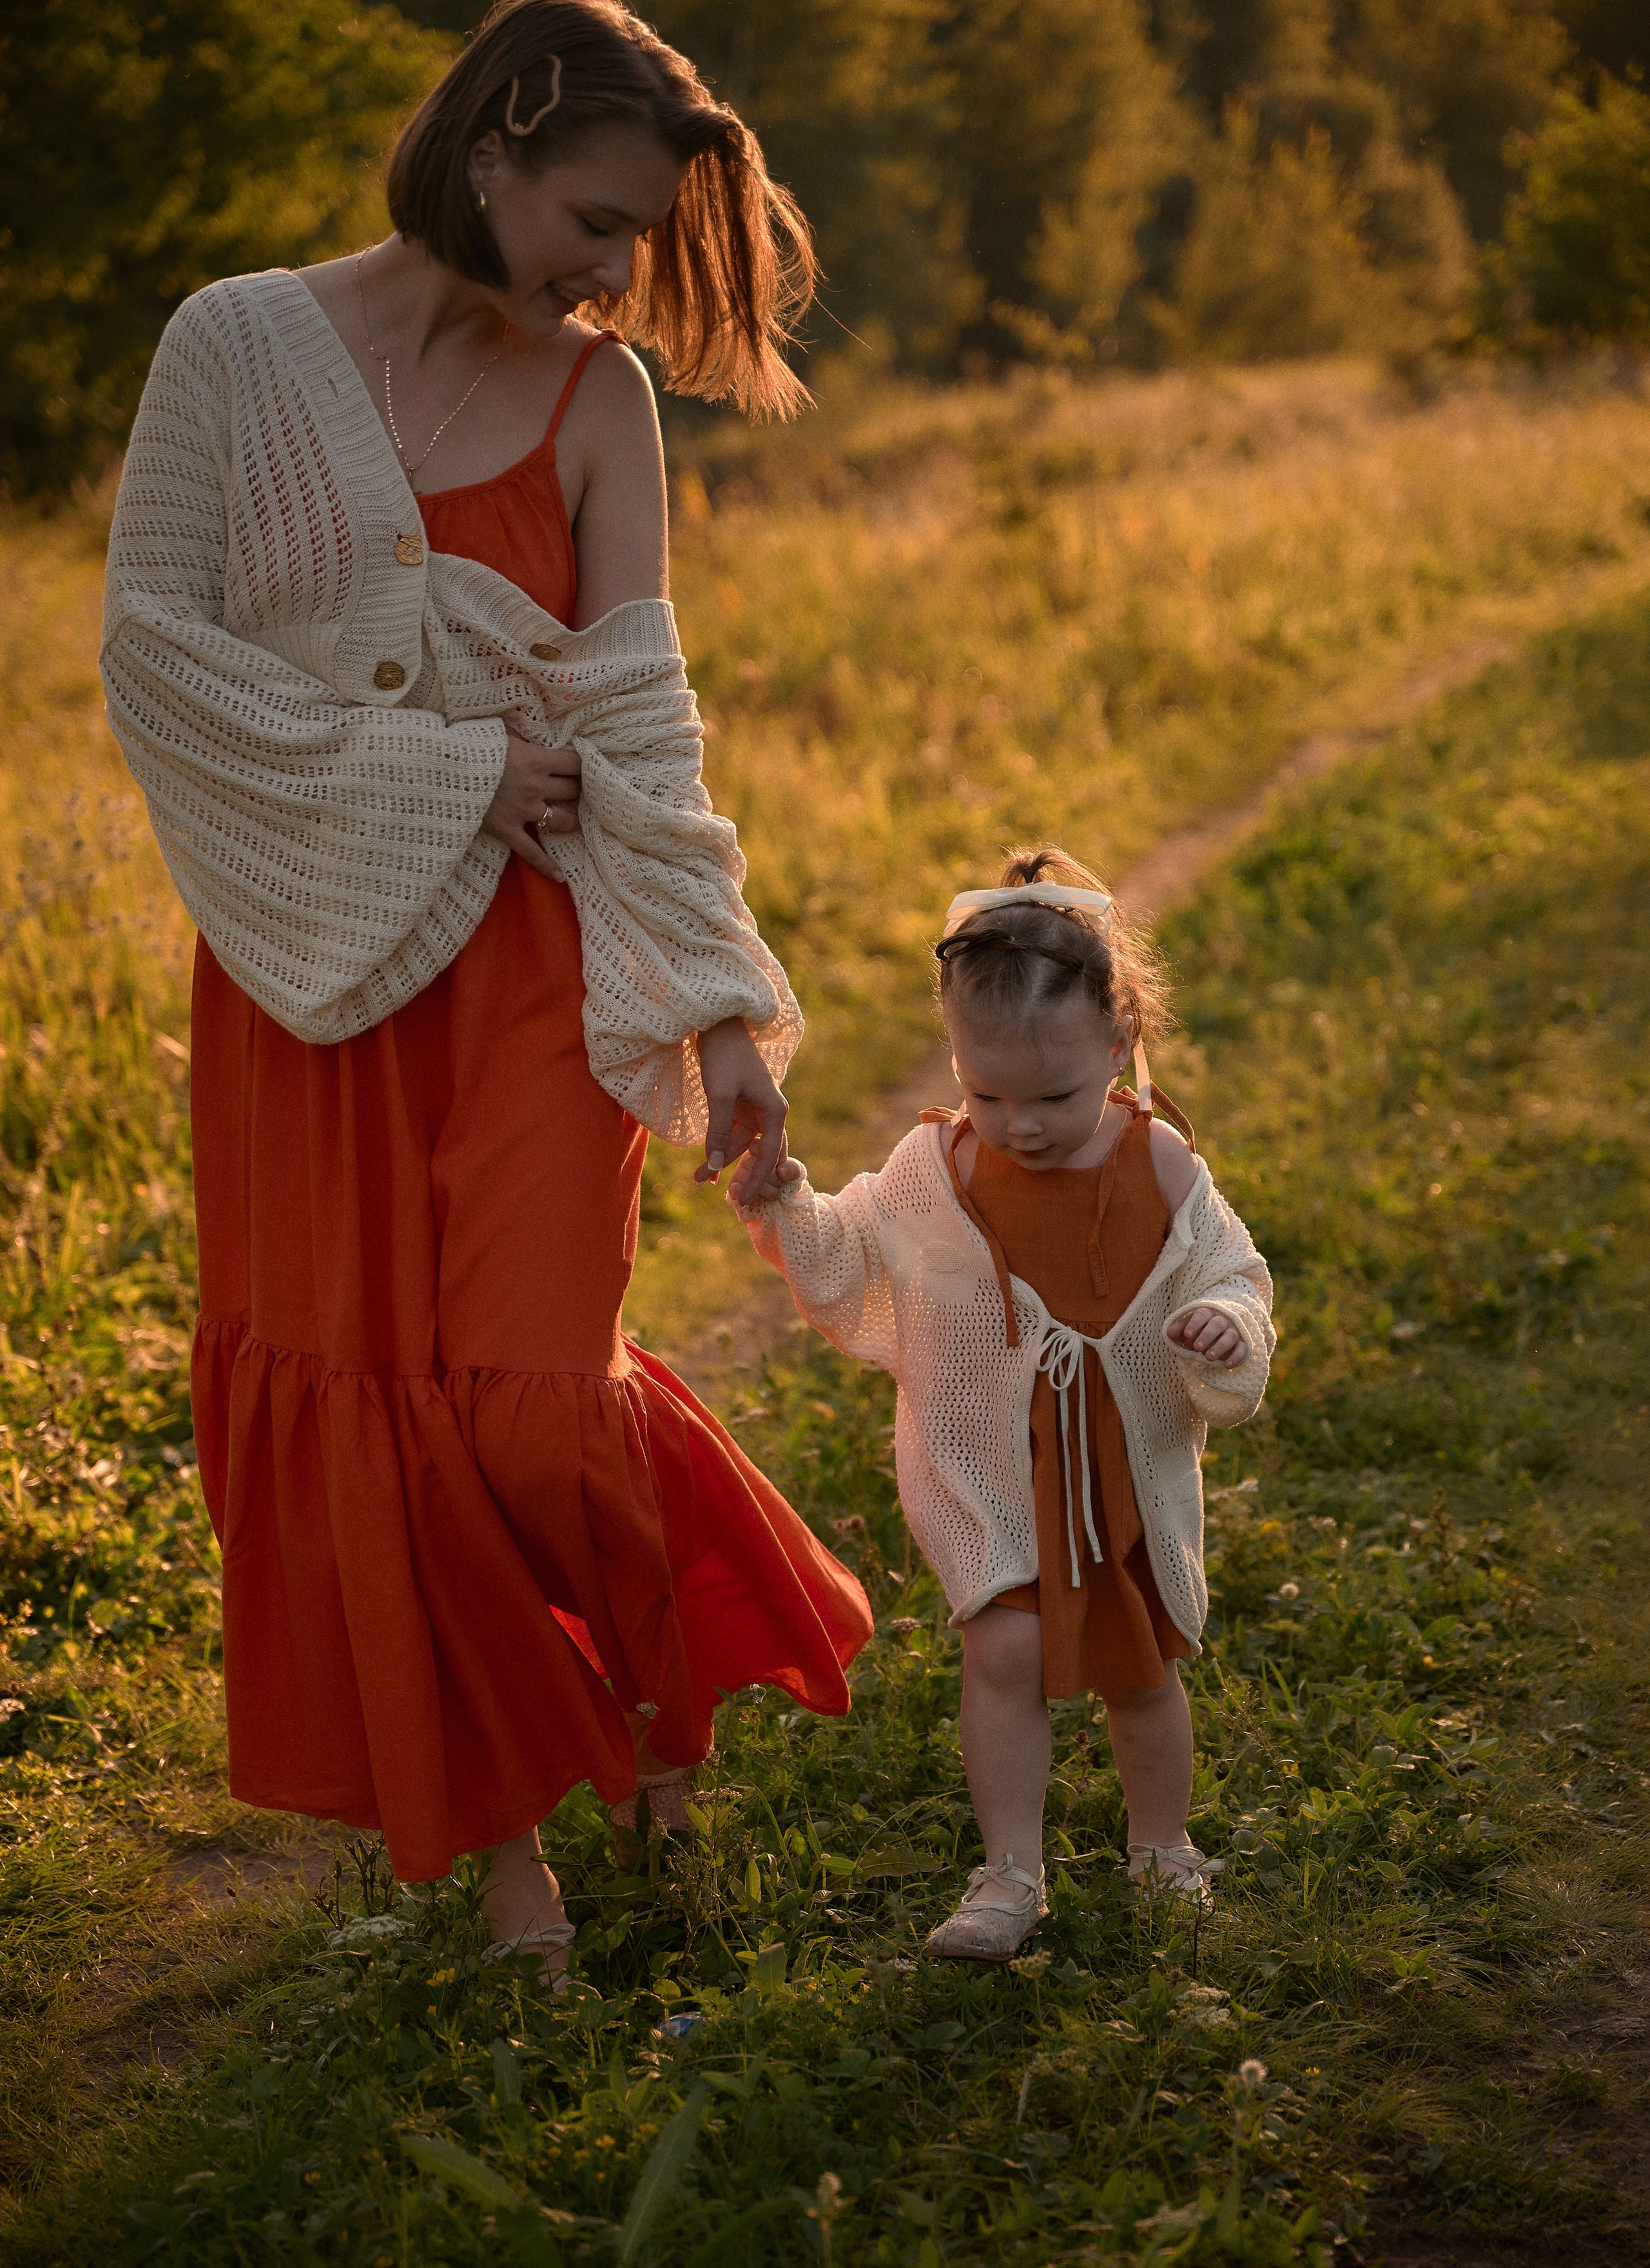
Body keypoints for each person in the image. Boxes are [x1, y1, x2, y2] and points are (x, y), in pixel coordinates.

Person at [100, 0, 871, 1979]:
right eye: (598, 220)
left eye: (638, 244)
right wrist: (442, 769)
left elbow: (639, 722)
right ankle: (510, 1855)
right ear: (501, 133)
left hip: (540, 953)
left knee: (533, 1399)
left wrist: (719, 1014)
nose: (614, 274)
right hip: (310, 966)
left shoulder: (599, 401)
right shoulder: (237, 345)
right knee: (376, 1404)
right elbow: (157, 659)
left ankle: (647, 1692)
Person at [735, 849, 1275, 1960]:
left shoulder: (1164, 1165)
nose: (1020, 1126)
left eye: (1055, 1097)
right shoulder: (938, 1171)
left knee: (1140, 1668)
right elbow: (855, 1253)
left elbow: (1234, 1269)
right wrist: (788, 1205)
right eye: (990, 1094)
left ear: (1118, 1045)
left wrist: (1229, 1319)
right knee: (1006, 1654)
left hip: (1120, 1472)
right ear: (955, 1061)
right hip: (998, 1466)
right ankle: (1009, 1872)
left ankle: (1161, 1847)